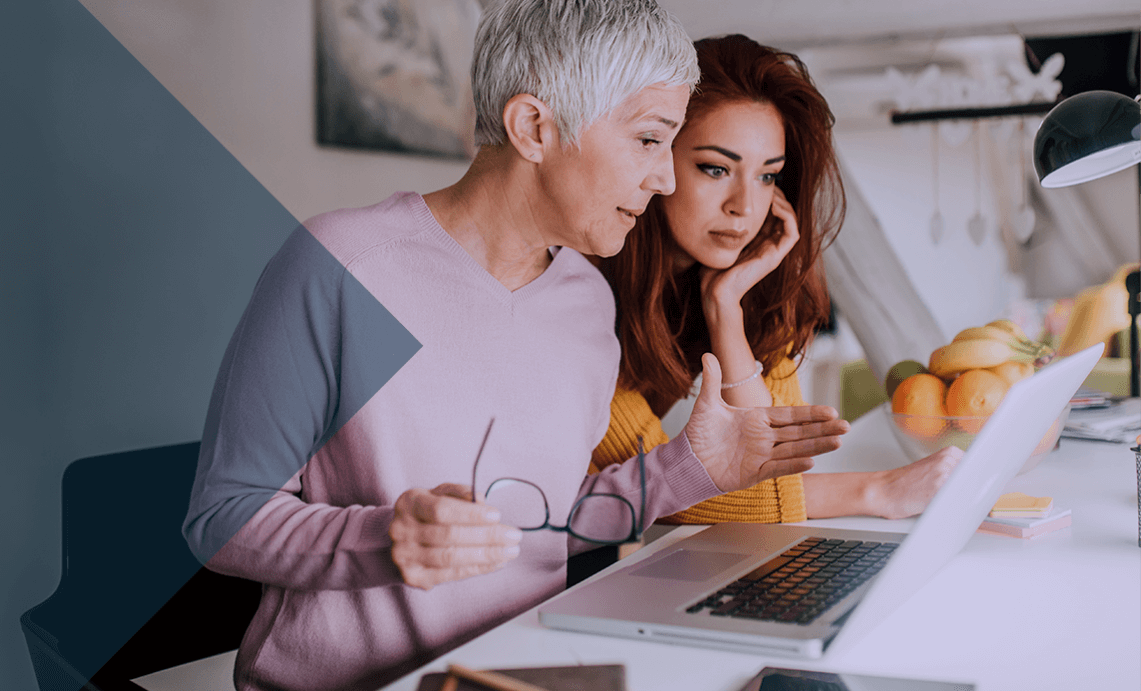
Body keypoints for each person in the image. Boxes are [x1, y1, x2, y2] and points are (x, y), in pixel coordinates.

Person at [183, 8, 849, 691]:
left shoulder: (588, 303)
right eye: (649, 140)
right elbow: (221, 519)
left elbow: (547, 523)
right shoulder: (344, 267)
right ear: (534, 127)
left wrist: (691, 466)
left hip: (521, 674)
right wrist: (388, 539)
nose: (666, 180)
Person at [591, 35, 959, 524]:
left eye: (767, 176)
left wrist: (726, 309)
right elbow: (654, 484)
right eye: (716, 168)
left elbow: (770, 470)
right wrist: (876, 491)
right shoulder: (582, 286)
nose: (743, 206)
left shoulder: (737, 284)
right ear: (656, 159)